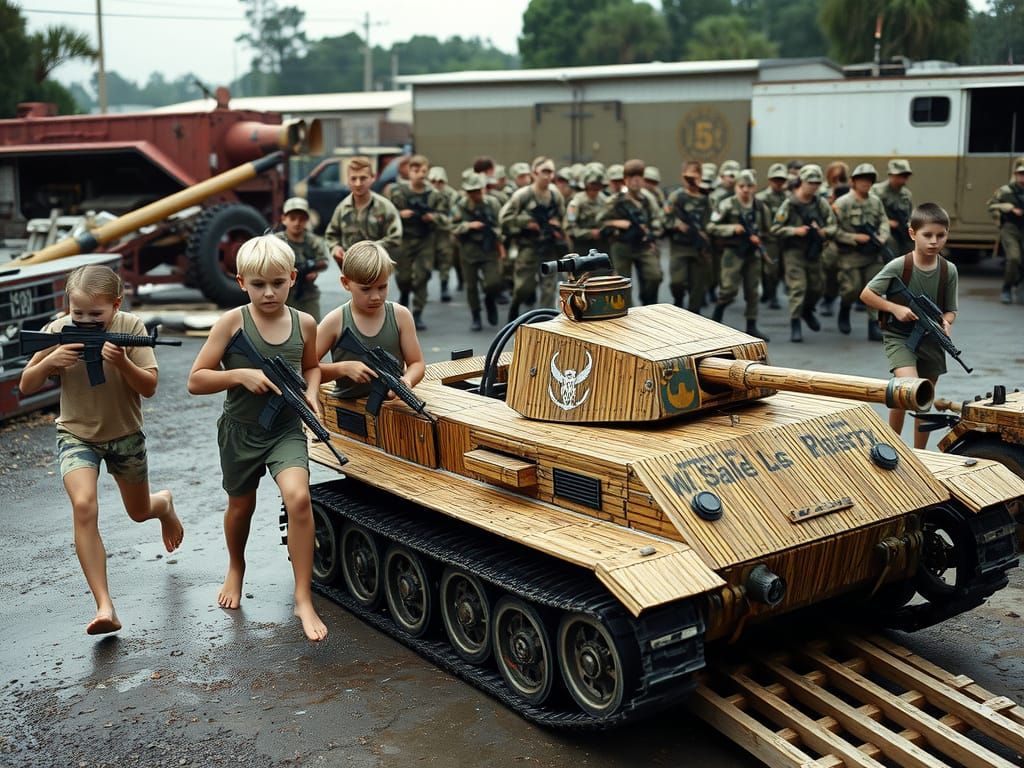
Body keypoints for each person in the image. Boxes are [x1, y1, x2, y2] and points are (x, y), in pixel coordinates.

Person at [19, 264, 184, 636]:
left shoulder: (130, 328)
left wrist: (123, 362)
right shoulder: (59, 331)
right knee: (83, 505)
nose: (86, 321)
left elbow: (150, 387)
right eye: (78, 314)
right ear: (67, 307)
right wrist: (49, 362)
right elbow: (25, 386)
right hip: (77, 435)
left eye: (97, 314)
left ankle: (164, 505)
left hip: (125, 435)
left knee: (139, 511)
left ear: (116, 304)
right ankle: (104, 605)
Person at [186, 236, 327, 642]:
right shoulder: (232, 323)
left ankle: (303, 596)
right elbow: (196, 380)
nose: (269, 292)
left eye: (278, 283)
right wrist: (238, 375)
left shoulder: (305, 323)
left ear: (293, 279)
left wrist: (312, 392)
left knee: (299, 498)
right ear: (241, 281)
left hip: (284, 429)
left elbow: (313, 366)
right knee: (240, 506)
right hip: (241, 432)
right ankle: (236, 566)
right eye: (259, 284)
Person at [860, 203, 958, 449]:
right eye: (927, 235)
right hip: (900, 336)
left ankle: (919, 453)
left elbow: (951, 309)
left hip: (932, 338)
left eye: (941, 235)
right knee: (908, 389)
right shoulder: (899, 266)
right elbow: (867, 294)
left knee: (923, 397)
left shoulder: (948, 270)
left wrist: (946, 323)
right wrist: (896, 308)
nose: (934, 241)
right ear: (913, 234)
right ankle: (891, 445)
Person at [317, 240, 425, 399]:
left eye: (382, 287)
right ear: (345, 283)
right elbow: (306, 369)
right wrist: (343, 368)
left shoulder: (400, 316)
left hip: (392, 408)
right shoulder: (335, 321)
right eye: (365, 289)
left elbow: (417, 363)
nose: (375, 297)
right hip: (348, 410)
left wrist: (407, 381)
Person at [771, 164, 837, 343]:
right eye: (810, 182)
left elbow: (833, 224)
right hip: (794, 251)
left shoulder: (820, 203)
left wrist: (824, 232)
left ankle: (807, 310)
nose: (814, 186)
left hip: (814, 250)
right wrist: (795, 231)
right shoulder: (790, 203)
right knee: (797, 287)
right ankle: (795, 323)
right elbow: (775, 228)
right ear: (802, 182)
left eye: (817, 183)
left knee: (817, 287)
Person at [498, 156, 568, 320]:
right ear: (534, 173)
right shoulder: (523, 195)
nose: (548, 175)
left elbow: (563, 217)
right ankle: (515, 306)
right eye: (544, 171)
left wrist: (557, 226)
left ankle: (544, 323)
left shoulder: (555, 195)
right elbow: (504, 219)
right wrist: (526, 223)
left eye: (551, 172)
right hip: (529, 247)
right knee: (523, 288)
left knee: (549, 288)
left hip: (549, 246)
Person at [708, 169, 772, 340]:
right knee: (728, 289)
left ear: (755, 187)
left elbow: (769, 230)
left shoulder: (760, 207)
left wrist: (760, 239)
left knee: (752, 290)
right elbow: (712, 227)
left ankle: (751, 325)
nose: (745, 189)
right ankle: (716, 318)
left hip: (752, 253)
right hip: (733, 252)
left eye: (749, 186)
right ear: (735, 187)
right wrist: (732, 229)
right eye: (741, 186)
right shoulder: (727, 205)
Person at [388, 154, 450, 331]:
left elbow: (447, 219)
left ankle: (417, 313)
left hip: (425, 240)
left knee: (423, 275)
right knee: (403, 277)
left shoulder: (435, 195)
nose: (420, 174)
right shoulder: (398, 191)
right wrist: (400, 214)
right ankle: (405, 294)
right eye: (416, 170)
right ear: (409, 171)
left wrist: (434, 217)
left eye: (424, 171)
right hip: (404, 240)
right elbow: (387, 213)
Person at [833, 163, 889, 340]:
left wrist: (882, 236)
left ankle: (873, 326)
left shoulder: (875, 201)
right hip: (850, 256)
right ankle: (845, 306)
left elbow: (884, 221)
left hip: (873, 255)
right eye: (862, 180)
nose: (866, 183)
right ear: (853, 182)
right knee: (852, 289)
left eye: (869, 180)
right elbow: (832, 230)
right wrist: (853, 238)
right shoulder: (842, 203)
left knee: (875, 289)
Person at [599, 158, 665, 306]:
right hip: (622, 245)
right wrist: (617, 223)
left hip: (643, 245)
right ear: (625, 180)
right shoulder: (615, 200)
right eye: (631, 178)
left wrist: (651, 232)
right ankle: (627, 312)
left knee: (655, 276)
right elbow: (600, 221)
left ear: (642, 180)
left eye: (638, 178)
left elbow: (658, 219)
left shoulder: (648, 199)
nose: (635, 182)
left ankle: (649, 302)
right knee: (622, 283)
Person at [324, 156, 402, 271]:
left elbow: (395, 237)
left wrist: (370, 249)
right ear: (348, 180)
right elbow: (331, 235)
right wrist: (335, 248)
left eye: (363, 178)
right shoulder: (342, 208)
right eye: (353, 178)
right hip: (352, 270)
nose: (358, 183)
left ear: (373, 178)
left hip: (377, 268)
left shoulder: (385, 207)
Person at [452, 173, 504, 331]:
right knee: (471, 286)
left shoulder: (493, 203)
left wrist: (496, 235)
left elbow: (502, 224)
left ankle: (490, 300)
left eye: (478, 190)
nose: (476, 194)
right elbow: (451, 226)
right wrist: (468, 226)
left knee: (494, 282)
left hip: (489, 249)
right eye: (472, 191)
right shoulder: (460, 206)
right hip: (469, 250)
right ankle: (476, 315)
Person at [665, 159, 712, 313]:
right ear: (682, 177)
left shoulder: (705, 199)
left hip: (698, 248)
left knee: (697, 288)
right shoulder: (676, 197)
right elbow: (664, 218)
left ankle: (694, 317)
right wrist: (677, 225)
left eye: (695, 176)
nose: (691, 180)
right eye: (688, 176)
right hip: (680, 246)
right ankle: (678, 300)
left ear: (700, 177)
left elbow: (711, 221)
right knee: (677, 283)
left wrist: (707, 234)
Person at [277, 197, 329, 321]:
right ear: (284, 219)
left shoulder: (313, 241)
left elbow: (324, 260)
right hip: (282, 293)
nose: (297, 222)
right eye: (292, 218)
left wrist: (314, 271)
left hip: (307, 293)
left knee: (313, 327)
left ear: (307, 220)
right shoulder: (276, 241)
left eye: (301, 218)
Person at [987, 157, 1024, 304]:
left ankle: (1018, 283)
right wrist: (1008, 208)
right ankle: (1006, 289)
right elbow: (991, 206)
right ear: (1015, 174)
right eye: (1021, 173)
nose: (1023, 177)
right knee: (1014, 258)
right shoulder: (1005, 191)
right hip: (1011, 229)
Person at [755, 163, 789, 310]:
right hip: (768, 239)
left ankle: (770, 292)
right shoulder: (761, 198)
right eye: (775, 179)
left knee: (781, 269)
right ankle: (772, 294)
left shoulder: (788, 198)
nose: (778, 183)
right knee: (771, 268)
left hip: (785, 238)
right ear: (770, 179)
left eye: (781, 180)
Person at [819, 161, 850, 317]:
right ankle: (828, 297)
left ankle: (847, 302)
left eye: (841, 175)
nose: (837, 178)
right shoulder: (822, 190)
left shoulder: (850, 190)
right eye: (834, 175)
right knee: (830, 267)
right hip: (830, 233)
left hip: (848, 233)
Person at [565, 166, 610, 270]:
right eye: (592, 185)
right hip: (582, 246)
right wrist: (589, 233)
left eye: (597, 186)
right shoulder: (577, 202)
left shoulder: (605, 200)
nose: (594, 190)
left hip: (601, 246)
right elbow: (570, 228)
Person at [428, 166, 460, 299]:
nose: (436, 184)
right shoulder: (426, 193)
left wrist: (440, 218)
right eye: (433, 181)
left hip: (444, 231)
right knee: (425, 261)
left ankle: (444, 287)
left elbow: (456, 215)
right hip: (427, 232)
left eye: (440, 181)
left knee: (445, 259)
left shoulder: (451, 194)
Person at [873, 159, 915, 258]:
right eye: (899, 176)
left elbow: (909, 215)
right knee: (891, 245)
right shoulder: (877, 191)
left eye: (905, 176)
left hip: (901, 230)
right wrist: (887, 222)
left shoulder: (906, 194)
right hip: (882, 229)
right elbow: (871, 214)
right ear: (891, 175)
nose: (903, 180)